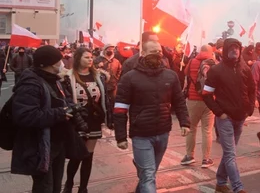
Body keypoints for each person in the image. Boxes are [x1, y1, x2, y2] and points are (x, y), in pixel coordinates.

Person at [113, 41, 190, 193]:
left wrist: (185, 122)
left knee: (149, 172)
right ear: (142, 54)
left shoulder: (171, 75)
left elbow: (179, 101)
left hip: (163, 131)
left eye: (159, 51)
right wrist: (120, 137)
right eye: (153, 51)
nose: (157, 54)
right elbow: (120, 109)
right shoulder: (130, 78)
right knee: (148, 174)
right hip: (141, 134)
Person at [11, 45, 72, 193]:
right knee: (45, 188)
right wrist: (60, 113)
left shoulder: (54, 79)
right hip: (39, 146)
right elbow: (25, 115)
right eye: (59, 60)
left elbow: (61, 101)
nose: (62, 63)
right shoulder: (31, 83)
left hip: (56, 144)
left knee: (55, 187)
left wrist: (71, 107)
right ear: (50, 64)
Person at [202, 38, 255, 193]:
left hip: (240, 116)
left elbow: (252, 88)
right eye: (232, 48)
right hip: (225, 118)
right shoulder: (216, 71)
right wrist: (219, 112)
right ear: (225, 50)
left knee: (229, 153)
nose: (235, 51)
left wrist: (250, 108)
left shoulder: (244, 69)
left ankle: (220, 181)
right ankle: (238, 187)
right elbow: (206, 94)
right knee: (231, 154)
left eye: (237, 48)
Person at [63, 47, 111, 193]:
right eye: (86, 57)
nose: (90, 60)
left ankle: (83, 187)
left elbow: (105, 99)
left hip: (94, 120)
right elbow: (66, 99)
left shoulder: (99, 77)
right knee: (77, 154)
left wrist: (109, 117)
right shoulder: (68, 77)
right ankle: (69, 184)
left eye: (91, 57)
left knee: (88, 156)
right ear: (78, 59)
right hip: (77, 121)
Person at [181, 45, 216, 168]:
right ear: (210, 52)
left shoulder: (192, 62)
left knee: (191, 128)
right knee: (207, 130)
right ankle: (206, 159)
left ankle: (189, 156)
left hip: (193, 99)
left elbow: (186, 76)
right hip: (209, 100)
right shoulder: (214, 63)